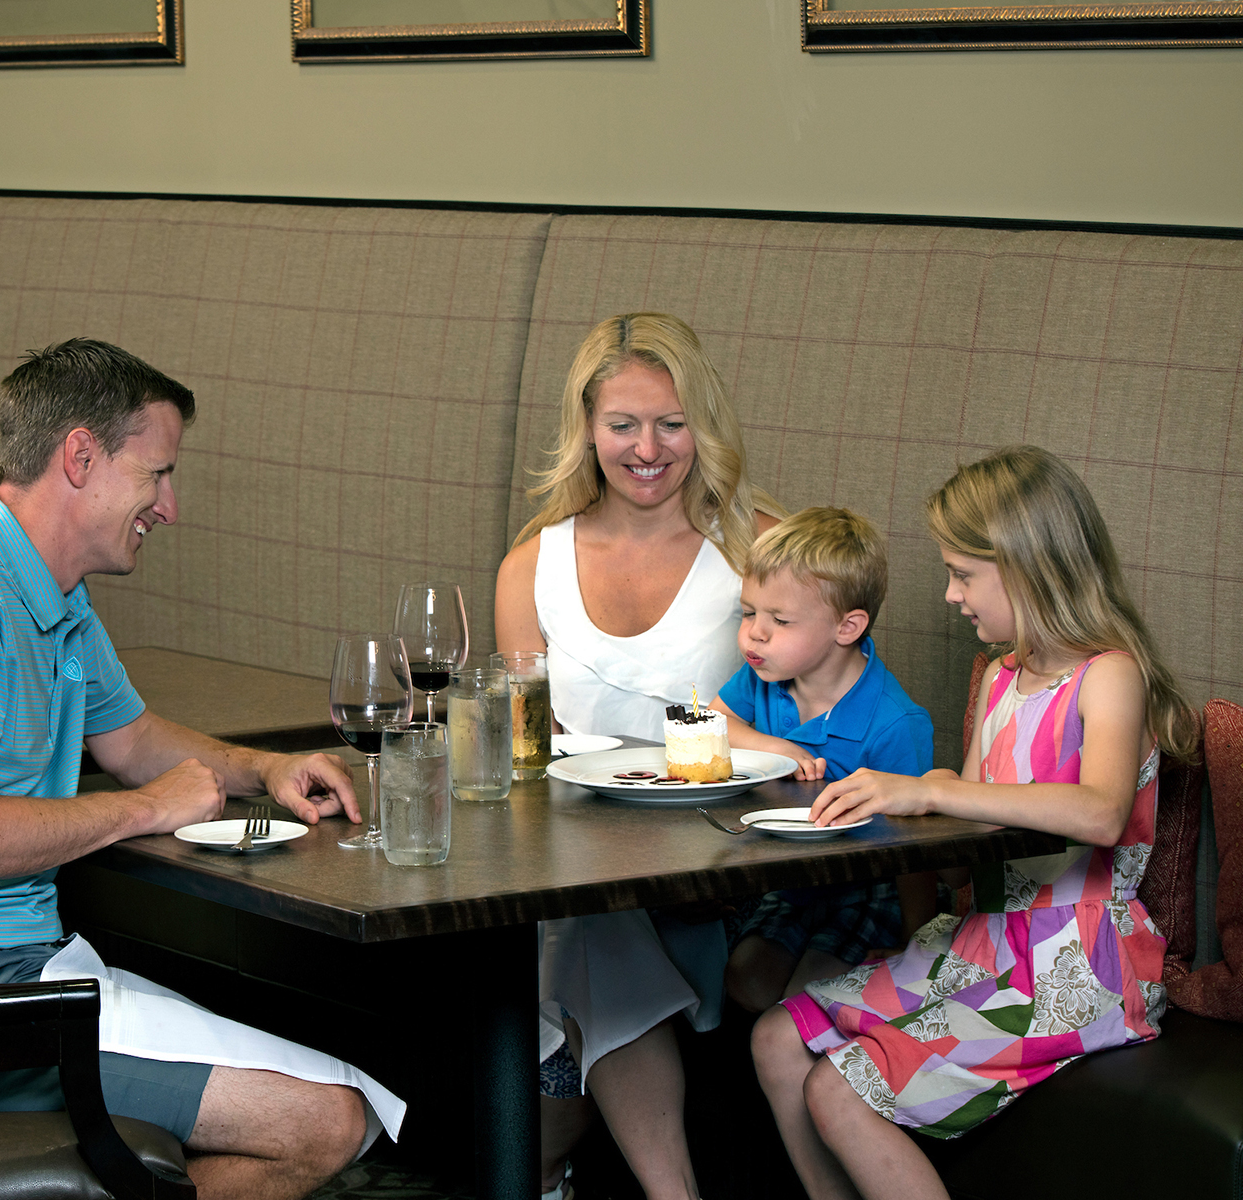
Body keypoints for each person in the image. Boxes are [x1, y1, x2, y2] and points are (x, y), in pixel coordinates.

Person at [0, 338, 402, 1200]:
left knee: (340, 1104)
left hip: (10, 973)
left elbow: (133, 740)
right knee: (323, 1120)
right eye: (156, 473)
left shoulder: (56, 599)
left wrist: (261, 768)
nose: (170, 504)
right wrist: (144, 809)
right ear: (80, 457)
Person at [751, 445, 1200, 1200]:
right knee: (775, 1039)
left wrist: (937, 789)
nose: (953, 596)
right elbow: (973, 849)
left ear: (1028, 566)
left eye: (964, 574)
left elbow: (1099, 810)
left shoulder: (1110, 674)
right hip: (979, 944)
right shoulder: (998, 678)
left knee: (838, 1089)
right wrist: (897, 820)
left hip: (1078, 962)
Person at [494, 312, 783, 1200]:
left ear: (705, 422)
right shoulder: (530, 567)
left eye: (672, 421)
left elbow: (828, 726)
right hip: (570, 880)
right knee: (581, 917)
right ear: (587, 427)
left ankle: (546, 1173)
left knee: (571, 945)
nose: (647, 447)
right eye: (623, 424)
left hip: (717, 880)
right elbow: (522, 756)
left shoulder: (761, 551)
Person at [709, 506, 937, 1015]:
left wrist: (916, 947)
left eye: (780, 620)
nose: (755, 634)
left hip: (868, 886)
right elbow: (710, 725)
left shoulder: (894, 723)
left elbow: (917, 856)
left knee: (807, 999)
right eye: (749, 613)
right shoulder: (762, 678)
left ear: (847, 626)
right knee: (743, 980)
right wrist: (776, 748)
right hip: (792, 882)